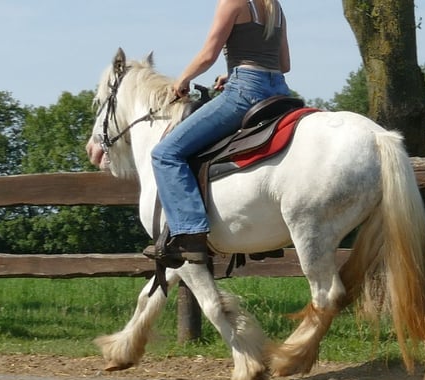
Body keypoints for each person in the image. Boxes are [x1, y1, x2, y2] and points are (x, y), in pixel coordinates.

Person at [90, 0, 291, 266]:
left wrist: (182, 79)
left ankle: (190, 235)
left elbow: (208, 55)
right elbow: (284, 64)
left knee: (165, 153)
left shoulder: (232, 2)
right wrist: (232, 73)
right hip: (278, 92)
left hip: (245, 93)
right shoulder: (275, 7)